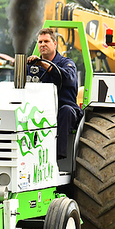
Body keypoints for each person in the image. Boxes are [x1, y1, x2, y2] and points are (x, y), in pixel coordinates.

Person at [27, 28, 83, 159]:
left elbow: (66, 77)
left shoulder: (67, 63)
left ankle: (57, 156)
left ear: (55, 43)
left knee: (67, 111)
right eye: (40, 42)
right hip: (39, 110)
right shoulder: (31, 67)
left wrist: (42, 64)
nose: (42, 44)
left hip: (63, 111)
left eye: (46, 41)